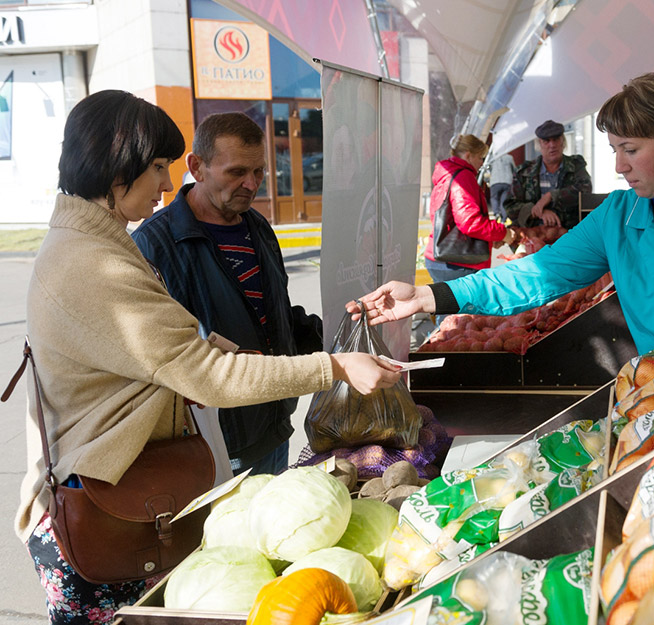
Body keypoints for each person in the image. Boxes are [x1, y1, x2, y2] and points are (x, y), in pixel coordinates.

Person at [17, 90, 400, 624]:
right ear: (113, 165)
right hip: (107, 512)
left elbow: (178, 339)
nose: (168, 184)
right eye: (157, 167)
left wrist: (267, 347)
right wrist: (334, 367)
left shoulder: (98, 242)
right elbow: (203, 373)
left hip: (135, 492)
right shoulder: (92, 264)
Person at [348, 73, 654, 356]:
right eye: (614, 150)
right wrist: (430, 299)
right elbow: (536, 276)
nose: (618, 165)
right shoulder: (619, 215)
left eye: (630, 149)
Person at [132, 112, 321, 476]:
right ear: (197, 167)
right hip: (211, 448)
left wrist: (336, 335)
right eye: (236, 172)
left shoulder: (258, 227)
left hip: (273, 427)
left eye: (259, 172)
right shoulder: (154, 245)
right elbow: (161, 359)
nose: (252, 184)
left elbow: (273, 314)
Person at [424, 134, 516, 283]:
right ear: (468, 156)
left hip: (442, 257)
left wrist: (492, 239)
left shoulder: (447, 174)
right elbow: (470, 222)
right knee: (466, 305)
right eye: (480, 158)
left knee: (448, 305)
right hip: (458, 262)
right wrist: (503, 233)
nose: (481, 164)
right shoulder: (463, 176)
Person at [504, 119, 593, 229]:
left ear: (562, 141)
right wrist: (537, 211)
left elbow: (585, 189)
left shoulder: (576, 166)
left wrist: (551, 196)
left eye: (556, 139)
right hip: (536, 238)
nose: (552, 145)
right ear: (539, 144)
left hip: (570, 236)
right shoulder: (524, 172)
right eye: (546, 141)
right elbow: (510, 207)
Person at [487, 151, 516, 221]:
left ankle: (496, 214)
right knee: (504, 200)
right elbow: (514, 169)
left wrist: (487, 180)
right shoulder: (509, 157)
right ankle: (504, 218)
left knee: (494, 198)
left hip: (495, 181)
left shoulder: (492, 158)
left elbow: (488, 169)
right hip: (507, 181)